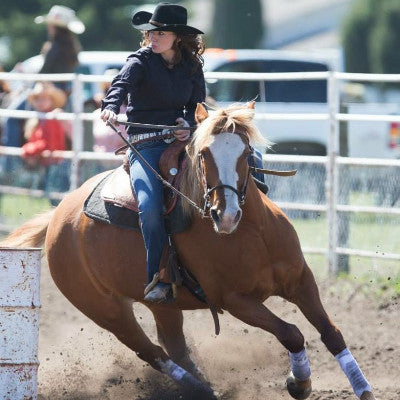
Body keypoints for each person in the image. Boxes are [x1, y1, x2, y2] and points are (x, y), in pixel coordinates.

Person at [100, 2, 205, 303]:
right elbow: (118, 87)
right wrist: (109, 108)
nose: (152, 38)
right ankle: (156, 278)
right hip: (144, 144)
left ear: (178, 38)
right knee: (149, 207)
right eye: (150, 33)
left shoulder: (192, 66)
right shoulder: (140, 61)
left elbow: (196, 106)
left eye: (160, 33)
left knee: (225, 179)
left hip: (182, 142)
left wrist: (187, 122)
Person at [21, 81, 70, 205]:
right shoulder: (40, 118)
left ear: (51, 100)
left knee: (56, 199)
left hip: (56, 164)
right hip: (49, 163)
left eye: (44, 98)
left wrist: (27, 149)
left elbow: (48, 145)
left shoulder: (51, 118)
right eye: (37, 99)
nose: (40, 102)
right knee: (51, 198)